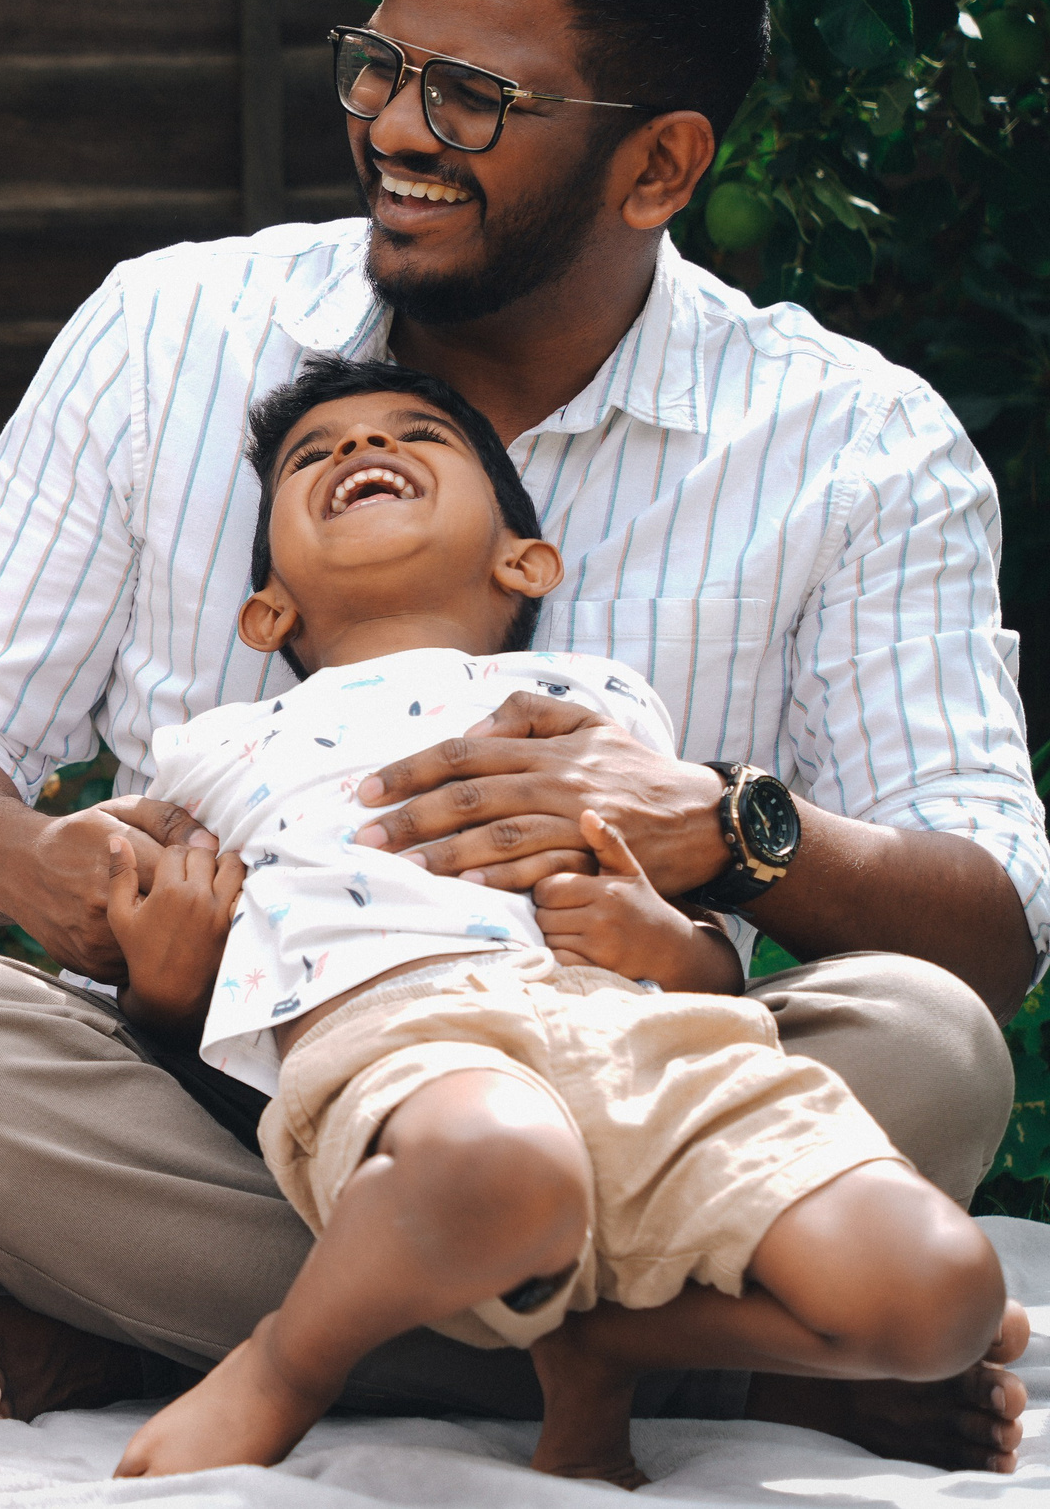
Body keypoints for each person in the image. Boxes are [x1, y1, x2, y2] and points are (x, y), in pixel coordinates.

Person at [0, 0, 1045, 1476]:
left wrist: (729, 834)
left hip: (641, 1097)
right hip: (229, 1095)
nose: (395, 126)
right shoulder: (166, 333)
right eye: (380, 66)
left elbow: (990, 927)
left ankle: (173, 1335)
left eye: (472, 95)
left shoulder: (856, 445)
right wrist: (56, 878)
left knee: (926, 1042)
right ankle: (698, 1356)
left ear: (661, 166)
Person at [98, 356, 1016, 1486]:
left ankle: (610, 1341)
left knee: (945, 1297)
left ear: (522, 559)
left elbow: (696, 963)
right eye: (313, 454)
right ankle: (288, 1361)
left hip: (647, 1047)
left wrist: (654, 935)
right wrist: (160, 986)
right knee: (500, 1167)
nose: (357, 450)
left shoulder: (602, 701)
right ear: (266, 608)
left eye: (415, 434)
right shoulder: (213, 748)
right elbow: (124, 911)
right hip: (405, 1034)